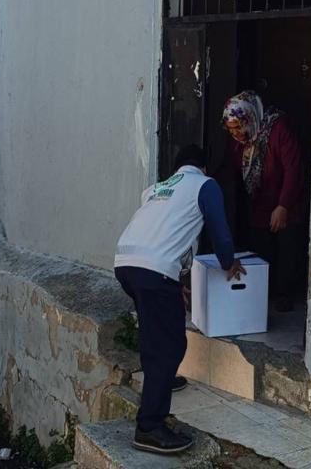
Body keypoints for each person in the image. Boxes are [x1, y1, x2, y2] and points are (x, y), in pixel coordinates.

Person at [114, 145, 244, 455]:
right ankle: (149, 427)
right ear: (204, 167)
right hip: (154, 272)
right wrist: (229, 262)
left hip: (125, 264)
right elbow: (220, 232)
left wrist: (172, 284)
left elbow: (162, 233)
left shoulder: (156, 189)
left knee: (153, 332)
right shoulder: (205, 185)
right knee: (170, 345)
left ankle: (159, 380)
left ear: (177, 168)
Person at [220, 90, 305, 313]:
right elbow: (230, 168)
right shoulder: (238, 141)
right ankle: (261, 295)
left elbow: (294, 170)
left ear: (250, 118)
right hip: (258, 204)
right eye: (231, 129)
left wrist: (283, 205)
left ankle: (284, 295)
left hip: (285, 204)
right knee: (261, 251)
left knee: (287, 250)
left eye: (238, 127)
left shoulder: (279, 129)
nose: (236, 133)